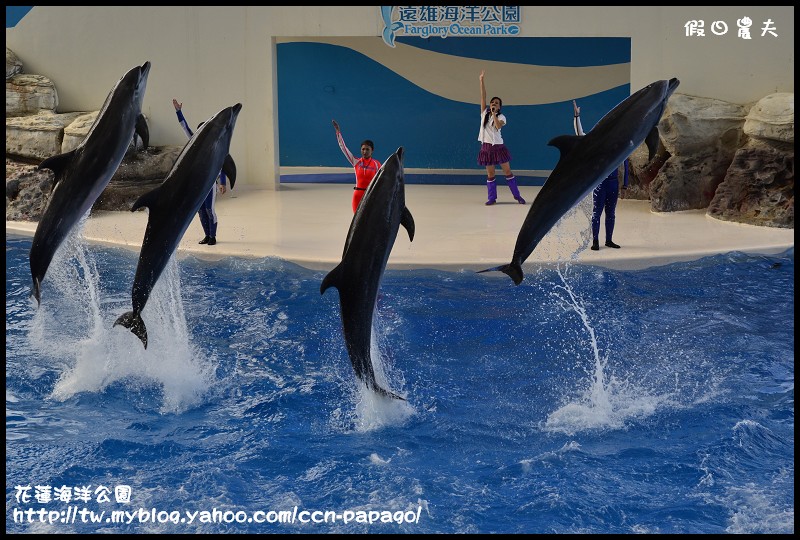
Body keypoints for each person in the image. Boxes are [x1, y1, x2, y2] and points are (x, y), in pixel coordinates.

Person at [573, 99, 629, 250]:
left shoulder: (618, 146)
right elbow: (580, 134)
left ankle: (609, 240)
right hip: (600, 184)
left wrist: (625, 185)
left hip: (613, 183)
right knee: (596, 212)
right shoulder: (595, 144)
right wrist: (577, 117)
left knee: (611, 213)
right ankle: (595, 241)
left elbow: (625, 164)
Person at [172, 98, 227, 246]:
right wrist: (178, 112)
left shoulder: (216, 147)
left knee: (209, 208)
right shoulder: (195, 142)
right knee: (200, 210)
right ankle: (206, 235)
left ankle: (213, 236)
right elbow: (185, 127)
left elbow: (223, 165)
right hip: (198, 183)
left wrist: (222, 182)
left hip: (209, 184)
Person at [478, 70, 525, 206]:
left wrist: (493, 114)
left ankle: (517, 196)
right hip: (486, 147)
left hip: (499, 147)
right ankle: (492, 198)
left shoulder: (501, 117)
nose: (494, 104)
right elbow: (483, 96)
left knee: (507, 171)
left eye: (497, 103)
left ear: (499, 107)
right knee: (490, 173)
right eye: (492, 102)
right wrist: (481, 81)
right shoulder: (484, 113)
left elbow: (498, 126)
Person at [332, 119, 381, 213]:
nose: (365, 151)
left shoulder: (377, 164)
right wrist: (338, 132)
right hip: (357, 196)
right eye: (363, 149)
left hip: (370, 196)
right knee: (356, 222)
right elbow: (343, 148)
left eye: (367, 149)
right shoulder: (356, 162)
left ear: (372, 150)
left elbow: (381, 182)